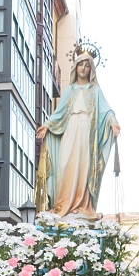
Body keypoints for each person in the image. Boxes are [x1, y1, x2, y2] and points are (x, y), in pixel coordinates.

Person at [35, 49, 120, 219]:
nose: (83, 68)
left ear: (91, 69)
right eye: (80, 64)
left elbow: (106, 110)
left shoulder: (95, 90)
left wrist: (113, 123)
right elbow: (58, 113)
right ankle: (62, 203)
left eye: (86, 65)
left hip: (86, 134)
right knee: (64, 164)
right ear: (76, 67)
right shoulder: (70, 90)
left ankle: (81, 205)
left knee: (83, 166)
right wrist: (46, 126)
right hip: (70, 131)